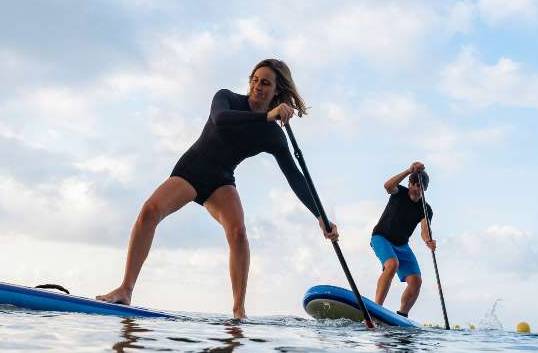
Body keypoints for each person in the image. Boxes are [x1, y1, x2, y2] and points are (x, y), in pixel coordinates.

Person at [97, 59, 338, 318]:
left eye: (265, 83)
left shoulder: (273, 135)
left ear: (277, 90)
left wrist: (321, 216)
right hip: (191, 171)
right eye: (254, 80)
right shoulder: (227, 98)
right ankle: (126, 289)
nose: (257, 86)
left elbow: (296, 178)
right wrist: (267, 115)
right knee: (149, 211)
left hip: (220, 182)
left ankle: (239, 311)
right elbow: (221, 120)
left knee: (238, 233)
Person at [370, 161, 435, 318]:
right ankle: (376, 309)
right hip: (381, 237)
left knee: (416, 281)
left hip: (401, 245)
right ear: (410, 183)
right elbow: (387, 186)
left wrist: (428, 241)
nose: (417, 189)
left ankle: (402, 315)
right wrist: (408, 170)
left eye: (420, 187)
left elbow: (424, 231)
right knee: (392, 264)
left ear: (425, 189)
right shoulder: (398, 191)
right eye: (414, 184)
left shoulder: (426, 209)